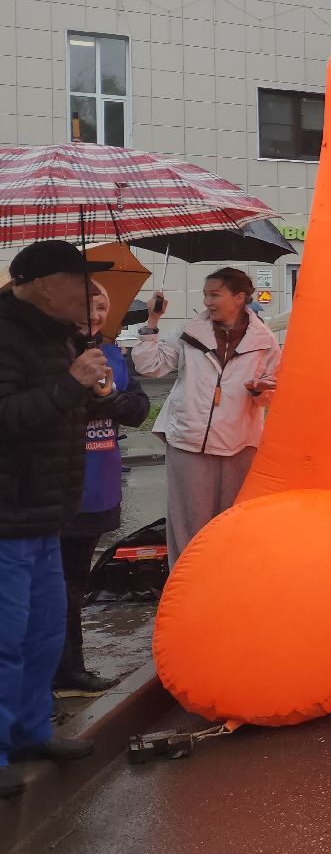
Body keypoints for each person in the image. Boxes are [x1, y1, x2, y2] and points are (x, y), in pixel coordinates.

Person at [0, 240, 113, 797]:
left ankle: (29, 731)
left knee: (43, 632)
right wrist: (71, 382)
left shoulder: (58, 333)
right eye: (81, 280)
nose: (91, 293)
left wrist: (90, 392)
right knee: (3, 637)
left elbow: (56, 410)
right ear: (46, 283)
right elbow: (7, 418)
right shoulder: (3, 332)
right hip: (7, 514)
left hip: (46, 512)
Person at [133, 268, 280, 565]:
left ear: (239, 298)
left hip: (239, 444)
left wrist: (262, 391)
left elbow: (276, 389)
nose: (208, 302)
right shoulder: (190, 333)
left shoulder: (265, 342)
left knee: (231, 524)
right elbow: (151, 367)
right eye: (205, 295)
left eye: (215, 294)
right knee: (188, 526)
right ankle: (184, 589)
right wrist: (152, 322)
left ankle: (222, 588)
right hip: (188, 442)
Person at [59, 282, 150, 697]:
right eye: (88, 305)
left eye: (103, 306)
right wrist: (81, 386)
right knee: (55, 587)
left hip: (101, 483)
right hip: (57, 489)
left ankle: (69, 669)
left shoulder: (112, 352)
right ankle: (60, 670)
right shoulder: (53, 352)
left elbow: (138, 409)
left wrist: (111, 396)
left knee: (74, 583)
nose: (97, 314)